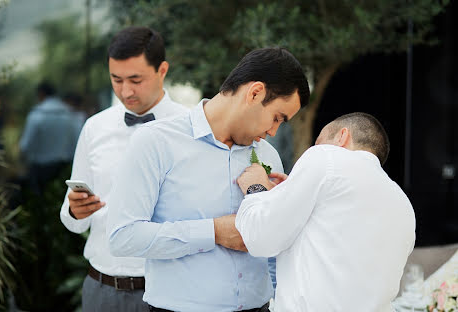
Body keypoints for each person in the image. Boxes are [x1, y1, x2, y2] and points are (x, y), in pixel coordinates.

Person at [106, 47, 310, 312]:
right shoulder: (155, 142)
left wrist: (282, 210)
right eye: (277, 117)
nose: (273, 131)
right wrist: (213, 232)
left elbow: (272, 248)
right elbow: (123, 236)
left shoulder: (267, 155)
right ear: (255, 92)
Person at [59, 26, 188, 312]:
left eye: (135, 79)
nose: (125, 91)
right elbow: (71, 218)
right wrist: (74, 210)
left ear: (162, 70)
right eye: (116, 80)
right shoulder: (94, 127)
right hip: (100, 290)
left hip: (166, 292)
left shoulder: (191, 128)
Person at [235, 112, 416, 312]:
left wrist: (256, 190)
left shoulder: (326, 156)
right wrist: (292, 194)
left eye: (318, 142)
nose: (314, 148)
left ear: (342, 137)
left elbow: (260, 238)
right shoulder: (403, 203)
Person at [20, 82, 82, 193]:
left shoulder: (36, 115)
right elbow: (77, 142)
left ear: (41, 94)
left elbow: (26, 145)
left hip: (40, 170)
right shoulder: (70, 114)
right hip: (65, 168)